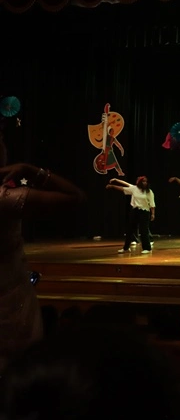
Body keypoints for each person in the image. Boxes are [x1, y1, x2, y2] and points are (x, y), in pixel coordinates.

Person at [0, 134, 86, 372]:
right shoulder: (5, 199)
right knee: (17, 367)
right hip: (9, 302)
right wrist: (32, 171)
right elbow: (75, 197)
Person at [106, 176, 155, 253]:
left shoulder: (149, 192)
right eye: (143, 181)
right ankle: (126, 248)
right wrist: (113, 186)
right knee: (129, 230)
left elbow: (152, 204)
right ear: (140, 182)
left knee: (144, 231)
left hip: (144, 212)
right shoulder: (134, 189)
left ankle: (147, 248)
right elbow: (123, 188)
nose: (145, 183)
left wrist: (153, 214)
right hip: (135, 211)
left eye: (146, 181)